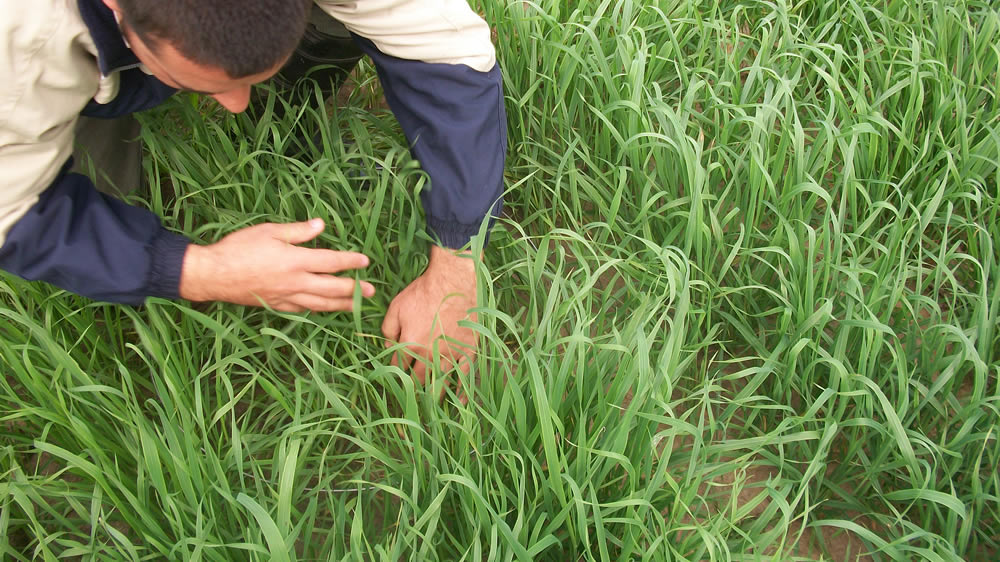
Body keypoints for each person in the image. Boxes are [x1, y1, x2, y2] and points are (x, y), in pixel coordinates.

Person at [0, 0, 508, 381]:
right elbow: (13, 212)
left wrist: (458, 263)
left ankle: (286, 117)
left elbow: (450, 62)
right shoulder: (20, 40)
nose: (237, 104)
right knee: (89, 185)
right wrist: (199, 271)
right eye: (206, 83)